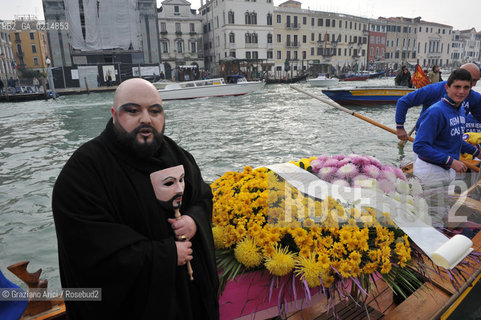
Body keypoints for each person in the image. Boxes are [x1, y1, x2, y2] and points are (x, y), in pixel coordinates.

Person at [52, 78, 219, 319]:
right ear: (113, 114)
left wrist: (194, 220)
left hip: (187, 302)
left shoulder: (177, 155)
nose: (146, 119)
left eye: (154, 111)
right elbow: (91, 251)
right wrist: (167, 255)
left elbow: (202, 197)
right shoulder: (84, 172)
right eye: (133, 110)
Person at [413, 69, 480, 187]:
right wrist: (452, 161)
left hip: (448, 170)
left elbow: (454, 139)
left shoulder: (461, 110)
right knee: (433, 205)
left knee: (446, 205)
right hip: (431, 171)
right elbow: (419, 146)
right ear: (447, 87)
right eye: (457, 87)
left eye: (466, 88)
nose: (461, 91)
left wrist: (476, 152)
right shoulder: (436, 112)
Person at [396, 63, 481, 142]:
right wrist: (400, 126)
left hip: (451, 140)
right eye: (472, 80)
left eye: (476, 80)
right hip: (428, 138)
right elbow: (404, 101)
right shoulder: (434, 90)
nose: (474, 84)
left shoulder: (474, 98)